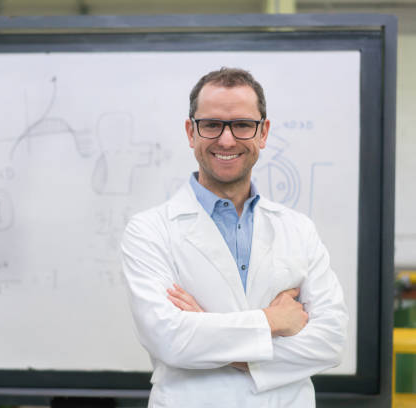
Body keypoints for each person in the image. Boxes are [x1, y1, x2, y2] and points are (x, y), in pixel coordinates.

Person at [120, 67, 348, 408]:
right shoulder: (149, 231)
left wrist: (211, 335)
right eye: (211, 124)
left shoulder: (298, 229)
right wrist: (272, 322)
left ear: (263, 132)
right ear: (191, 132)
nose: (227, 140)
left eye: (242, 125)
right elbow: (169, 339)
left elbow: (330, 341)